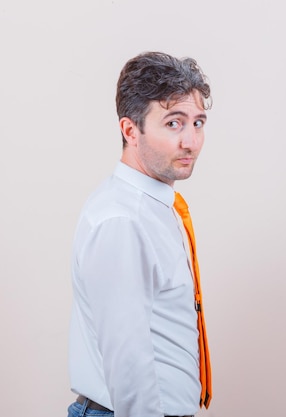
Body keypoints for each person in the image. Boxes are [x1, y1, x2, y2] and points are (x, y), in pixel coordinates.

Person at [67, 51, 213, 417]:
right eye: (174, 124)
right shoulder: (123, 220)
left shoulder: (153, 207)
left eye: (198, 123)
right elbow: (127, 361)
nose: (191, 142)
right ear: (130, 131)